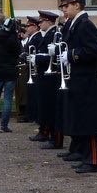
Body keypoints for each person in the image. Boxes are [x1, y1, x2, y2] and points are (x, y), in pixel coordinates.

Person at [57, 0, 97, 173]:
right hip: (78, 79)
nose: (64, 9)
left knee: (90, 122)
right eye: (63, 6)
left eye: (67, 6)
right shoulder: (75, 24)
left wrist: (71, 55)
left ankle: (93, 160)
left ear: (77, 5)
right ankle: (82, 153)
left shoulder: (85, 24)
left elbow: (93, 50)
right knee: (81, 119)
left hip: (87, 81)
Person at [34, 11, 62, 148]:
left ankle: (55, 138)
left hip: (51, 78)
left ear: (49, 21)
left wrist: (37, 58)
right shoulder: (48, 34)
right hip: (44, 76)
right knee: (46, 107)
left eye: (41, 22)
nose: (39, 25)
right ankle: (48, 134)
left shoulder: (55, 34)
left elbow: (54, 56)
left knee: (52, 108)